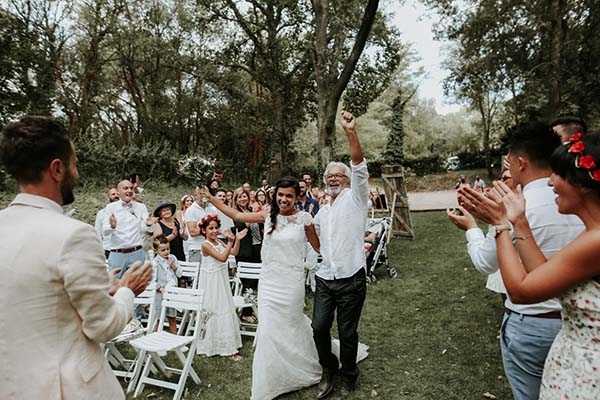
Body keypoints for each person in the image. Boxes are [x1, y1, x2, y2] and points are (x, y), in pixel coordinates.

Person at [0, 115, 152, 399]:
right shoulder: (73, 235)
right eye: (75, 164)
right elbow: (103, 326)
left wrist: (101, 287)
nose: (77, 173)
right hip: (65, 388)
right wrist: (128, 292)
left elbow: (35, 296)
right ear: (57, 169)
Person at [460, 132, 600, 399]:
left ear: (583, 184)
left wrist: (501, 225)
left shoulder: (596, 241)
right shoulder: (591, 234)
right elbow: (541, 276)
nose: (550, 181)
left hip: (587, 376)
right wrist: (518, 221)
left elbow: (522, 292)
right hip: (573, 367)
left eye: (558, 174)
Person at [202, 177, 327, 399]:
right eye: (280, 194)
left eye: (289, 195)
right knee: (267, 329)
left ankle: (301, 366)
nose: (284, 199)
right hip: (269, 282)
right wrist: (212, 199)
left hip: (292, 283)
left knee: (291, 325)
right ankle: (268, 383)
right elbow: (237, 215)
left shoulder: (305, 219)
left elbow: (319, 247)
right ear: (275, 195)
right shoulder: (267, 215)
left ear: (297, 197)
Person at [312, 111, 370, 398]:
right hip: (325, 278)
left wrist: (350, 132)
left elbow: (358, 165)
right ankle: (328, 368)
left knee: (347, 333)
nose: (333, 178)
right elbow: (319, 242)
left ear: (347, 180)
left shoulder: (357, 198)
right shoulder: (323, 210)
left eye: (338, 175)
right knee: (319, 327)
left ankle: (349, 374)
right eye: (329, 176)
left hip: (350, 278)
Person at [447, 169, 516, 302]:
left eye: (505, 179)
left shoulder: (511, 213)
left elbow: (485, 262)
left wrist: (470, 228)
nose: (499, 183)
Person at [196, 214, 246, 360]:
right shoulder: (205, 244)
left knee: (224, 307)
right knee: (217, 308)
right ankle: (223, 348)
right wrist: (230, 241)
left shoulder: (217, 241)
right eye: (210, 228)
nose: (214, 231)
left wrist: (236, 240)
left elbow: (233, 253)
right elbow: (223, 258)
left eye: (216, 228)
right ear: (204, 230)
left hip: (221, 279)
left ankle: (226, 345)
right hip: (212, 282)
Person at [103, 180, 156, 279]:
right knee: (115, 288)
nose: (129, 190)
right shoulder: (110, 207)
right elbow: (105, 233)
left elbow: (148, 231)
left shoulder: (141, 207)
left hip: (136, 253)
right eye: (125, 188)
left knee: (136, 288)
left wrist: (149, 225)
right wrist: (112, 226)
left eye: (131, 188)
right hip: (117, 253)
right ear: (118, 192)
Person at [151, 235, 182, 334]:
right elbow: (152, 280)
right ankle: (157, 337)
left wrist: (173, 266)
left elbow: (180, 274)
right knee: (160, 318)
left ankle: (175, 339)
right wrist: (160, 288)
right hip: (160, 294)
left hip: (172, 292)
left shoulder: (172, 258)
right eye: (163, 250)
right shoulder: (155, 263)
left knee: (172, 318)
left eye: (168, 249)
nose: (166, 252)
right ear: (156, 251)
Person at [95, 187, 120, 258]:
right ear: (108, 197)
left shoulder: (126, 211)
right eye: (113, 194)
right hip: (107, 249)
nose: (116, 196)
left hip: (122, 249)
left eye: (117, 194)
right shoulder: (102, 213)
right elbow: (98, 233)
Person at [184, 186, 207, 263]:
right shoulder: (191, 210)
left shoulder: (211, 208)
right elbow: (193, 232)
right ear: (195, 196)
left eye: (205, 193)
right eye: (200, 193)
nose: (203, 195)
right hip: (197, 248)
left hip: (210, 247)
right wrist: (208, 229)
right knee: (196, 274)